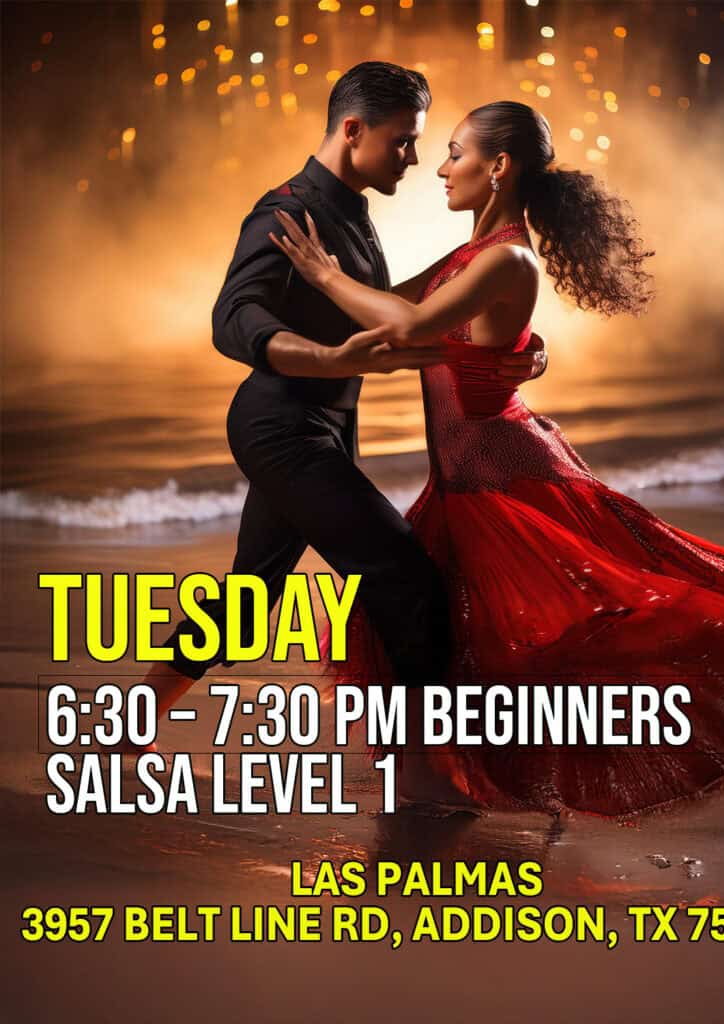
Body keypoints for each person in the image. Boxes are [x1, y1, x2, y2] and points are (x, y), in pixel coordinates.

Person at [273, 100, 724, 817]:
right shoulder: (470, 257)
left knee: (630, 621)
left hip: (504, 480)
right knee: (436, 626)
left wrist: (320, 273)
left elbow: (403, 321)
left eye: (455, 153)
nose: (439, 168)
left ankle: (443, 793)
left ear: (497, 167)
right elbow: (388, 321)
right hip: (471, 478)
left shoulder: (507, 257)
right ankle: (438, 786)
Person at [130, 67, 546, 750]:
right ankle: (425, 770)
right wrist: (325, 360)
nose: (414, 161)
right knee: (406, 579)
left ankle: (126, 730)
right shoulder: (287, 210)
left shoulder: (351, 211)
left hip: (319, 427)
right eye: (403, 142)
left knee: (248, 600)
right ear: (352, 131)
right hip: (280, 427)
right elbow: (233, 318)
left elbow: (438, 304)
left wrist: (522, 345)